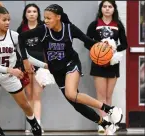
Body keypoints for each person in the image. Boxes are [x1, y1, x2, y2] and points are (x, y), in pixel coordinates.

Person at [18, 4, 124, 135]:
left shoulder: (69, 29)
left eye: (48, 18)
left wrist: (103, 46)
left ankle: (110, 109)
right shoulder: (43, 30)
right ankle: (106, 124)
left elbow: (88, 41)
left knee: (71, 94)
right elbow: (21, 38)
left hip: (71, 63)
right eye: (44, 18)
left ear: (58, 17)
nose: (45, 21)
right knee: (77, 105)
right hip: (56, 71)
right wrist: (25, 60)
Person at [0, 2, 43, 136]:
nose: (7, 22)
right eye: (4, 20)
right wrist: (10, 70)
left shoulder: (14, 36)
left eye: (9, 19)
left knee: (25, 105)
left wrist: (45, 65)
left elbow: (27, 57)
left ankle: (34, 123)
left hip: (9, 77)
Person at [84, 0, 128, 133]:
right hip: (99, 63)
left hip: (113, 62)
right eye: (105, 6)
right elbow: (87, 42)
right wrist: (98, 47)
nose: (107, 9)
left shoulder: (118, 25)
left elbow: (124, 44)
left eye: (110, 6)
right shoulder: (94, 24)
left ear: (114, 9)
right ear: (101, 8)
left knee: (109, 95)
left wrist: (114, 48)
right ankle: (103, 123)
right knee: (101, 95)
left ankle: (111, 124)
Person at [17, 3, 55, 133]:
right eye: (29, 11)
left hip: (41, 65)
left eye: (34, 11)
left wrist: (47, 64)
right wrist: (25, 62)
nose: (32, 13)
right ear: (25, 14)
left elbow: (50, 46)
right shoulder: (21, 29)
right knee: (29, 95)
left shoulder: (44, 28)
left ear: (38, 14)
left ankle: (38, 125)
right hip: (26, 65)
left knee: (37, 96)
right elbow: (18, 49)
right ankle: (33, 125)